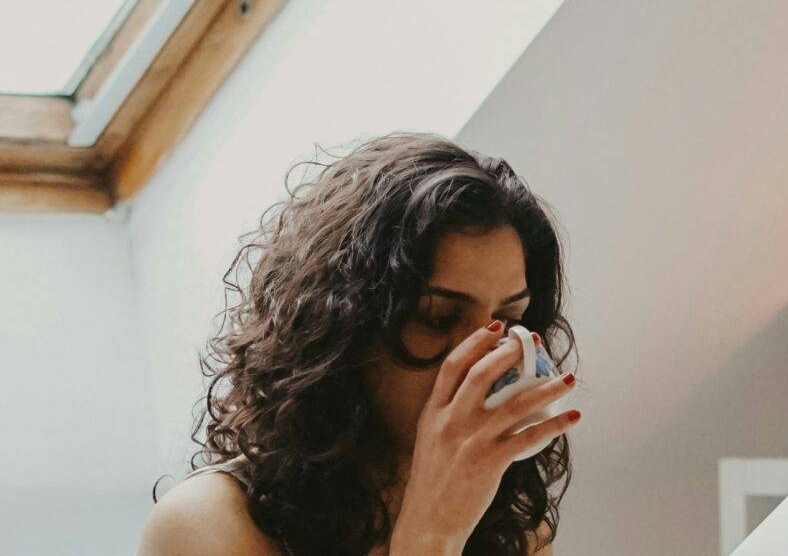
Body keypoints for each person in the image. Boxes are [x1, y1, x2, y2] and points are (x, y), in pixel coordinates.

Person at [138, 134, 580, 555]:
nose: (488, 358)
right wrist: (433, 536)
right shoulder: (207, 524)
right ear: (342, 327)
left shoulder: (511, 526)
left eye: (507, 320)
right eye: (438, 318)